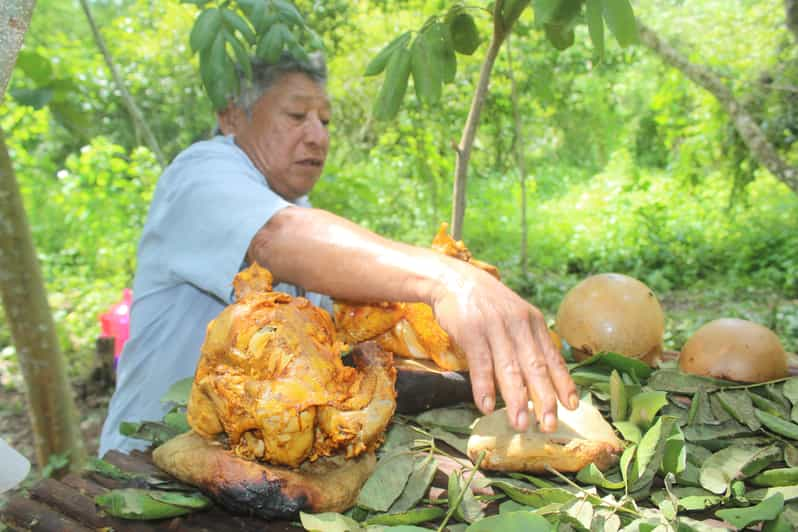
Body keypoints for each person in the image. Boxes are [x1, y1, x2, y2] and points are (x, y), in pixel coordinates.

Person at [99, 53, 577, 455]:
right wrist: (447, 279)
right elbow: (274, 235)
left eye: (324, 120)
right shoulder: (201, 173)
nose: (318, 135)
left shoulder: (299, 207)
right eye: (296, 115)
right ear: (232, 116)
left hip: (249, 460)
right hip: (145, 462)